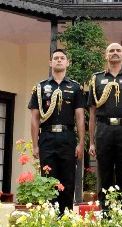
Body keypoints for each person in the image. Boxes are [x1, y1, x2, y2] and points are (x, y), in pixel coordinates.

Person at [28, 49, 85, 215]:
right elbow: (35, 118)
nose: (59, 60)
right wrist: (35, 145)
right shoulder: (40, 87)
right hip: (46, 137)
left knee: (68, 179)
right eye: (56, 58)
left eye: (62, 58)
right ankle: (50, 218)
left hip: (67, 137)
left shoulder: (75, 87)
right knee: (48, 179)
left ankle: (65, 216)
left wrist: (81, 143)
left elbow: (80, 117)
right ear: (50, 63)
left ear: (67, 63)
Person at [87, 42, 122, 211]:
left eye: (118, 50)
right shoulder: (97, 79)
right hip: (104, 130)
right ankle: (105, 213)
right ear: (106, 55)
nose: (115, 53)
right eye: (111, 51)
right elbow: (92, 112)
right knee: (104, 173)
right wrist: (91, 142)